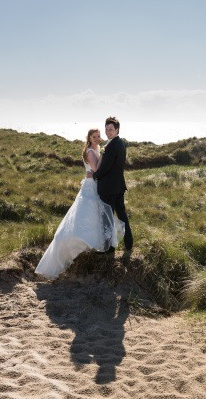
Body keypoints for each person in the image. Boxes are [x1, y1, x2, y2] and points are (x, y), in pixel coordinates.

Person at [35, 128, 125, 279]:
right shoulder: (91, 151)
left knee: (95, 215)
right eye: (94, 136)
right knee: (86, 214)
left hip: (95, 184)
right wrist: (103, 155)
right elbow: (96, 169)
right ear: (89, 138)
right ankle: (80, 243)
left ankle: (95, 244)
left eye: (98, 136)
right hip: (91, 186)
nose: (97, 138)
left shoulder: (96, 148)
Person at [86, 116, 133, 256]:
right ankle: (129, 244)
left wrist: (93, 176)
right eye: (106, 129)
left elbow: (105, 168)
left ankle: (108, 249)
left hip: (109, 188)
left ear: (117, 130)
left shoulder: (111, 146)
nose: (108, 132)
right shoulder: (121, 144)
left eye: (111, 129)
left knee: (107, 218)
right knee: (122, 215)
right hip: (119, 186)